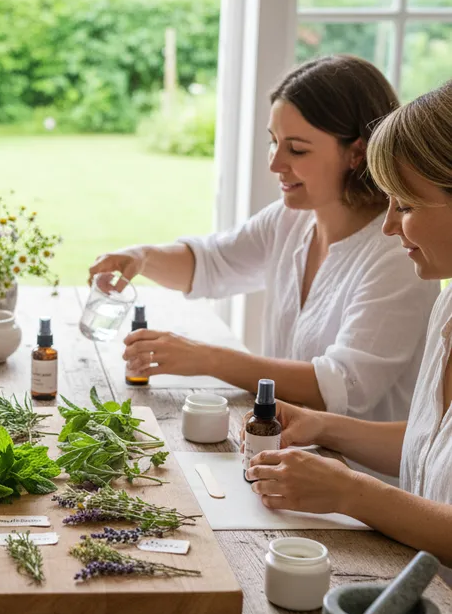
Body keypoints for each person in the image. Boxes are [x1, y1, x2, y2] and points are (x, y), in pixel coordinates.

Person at [90, 55, 438, 424]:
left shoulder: (400, 252)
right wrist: (140, 257)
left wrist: (207, 359)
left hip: (354, 475)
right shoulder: (291, 219)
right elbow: (211, 262)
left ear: (356, 152)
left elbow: (344, 387)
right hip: (283, 453)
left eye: (297, 149)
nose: (274, 163)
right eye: (273, 142)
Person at [247, 81, 452, 565]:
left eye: (405, 205)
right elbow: (431, 445)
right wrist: (325, 426)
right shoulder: (447, 308)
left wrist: (352, 493)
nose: (388, 225)